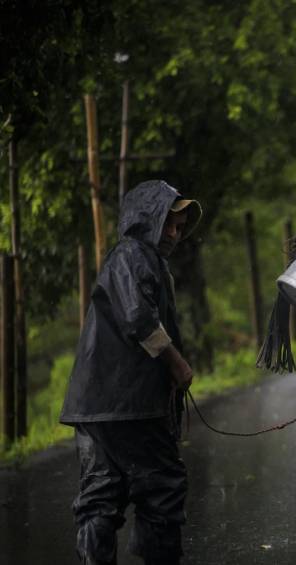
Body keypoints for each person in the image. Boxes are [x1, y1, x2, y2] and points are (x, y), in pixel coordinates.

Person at [60, 179, 202, 565]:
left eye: (179, 226)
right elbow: (139, 318)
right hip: (129, 405)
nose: (174, 233)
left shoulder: (139, 259)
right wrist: (178, 363)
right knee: (161, 489)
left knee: (100, 496)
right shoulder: (132, 255)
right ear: (147, 219)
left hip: (95, 406)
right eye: (168, 223)